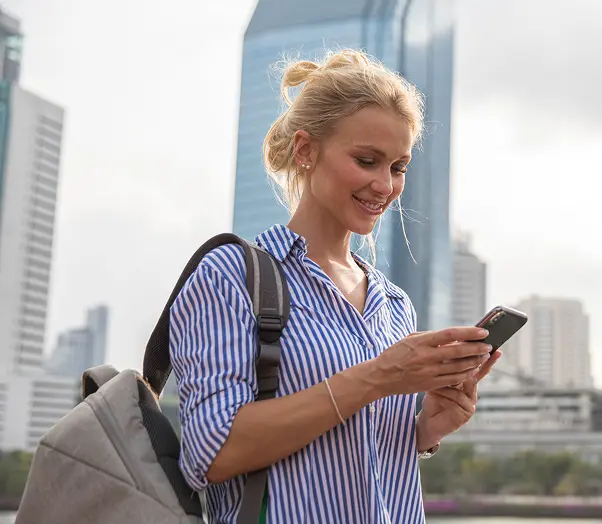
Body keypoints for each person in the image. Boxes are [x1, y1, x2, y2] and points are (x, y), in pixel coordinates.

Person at [169, 48, 501, 524]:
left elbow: (361, 453)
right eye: (367, 160)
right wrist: (381, 376)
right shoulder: (232, 275)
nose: (385, 186)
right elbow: (210, 452)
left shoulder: (395, 306)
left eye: (399, 167)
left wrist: (425, 430)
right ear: (306, 150)